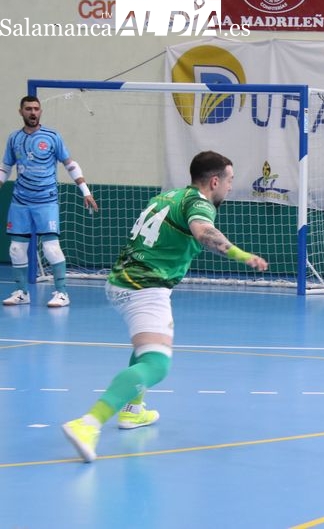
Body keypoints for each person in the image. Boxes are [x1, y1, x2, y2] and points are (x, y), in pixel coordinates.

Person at [62, 150, 268, 462]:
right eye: (229, 180)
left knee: (145, 350)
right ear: (214, 181)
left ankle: (132, 410)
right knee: (157, 364)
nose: (230, 187)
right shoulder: (199, 203)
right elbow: (204, 232)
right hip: (145, 287)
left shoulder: (168, 196)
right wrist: (242, 256)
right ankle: (88, 424)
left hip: (123, 279)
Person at [1, 95, 99, 307]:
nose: (33, 112)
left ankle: (62, 293)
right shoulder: (13, 138)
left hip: (46, 201)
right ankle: (22, 293)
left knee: (51, 249)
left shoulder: (53, 136)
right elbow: (5, 167)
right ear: (21, 112)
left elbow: (70, 164)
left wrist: (86, 191)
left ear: (40, 111)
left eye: (36, 109)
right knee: (16, 249)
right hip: (20, 202)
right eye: (28, 109)